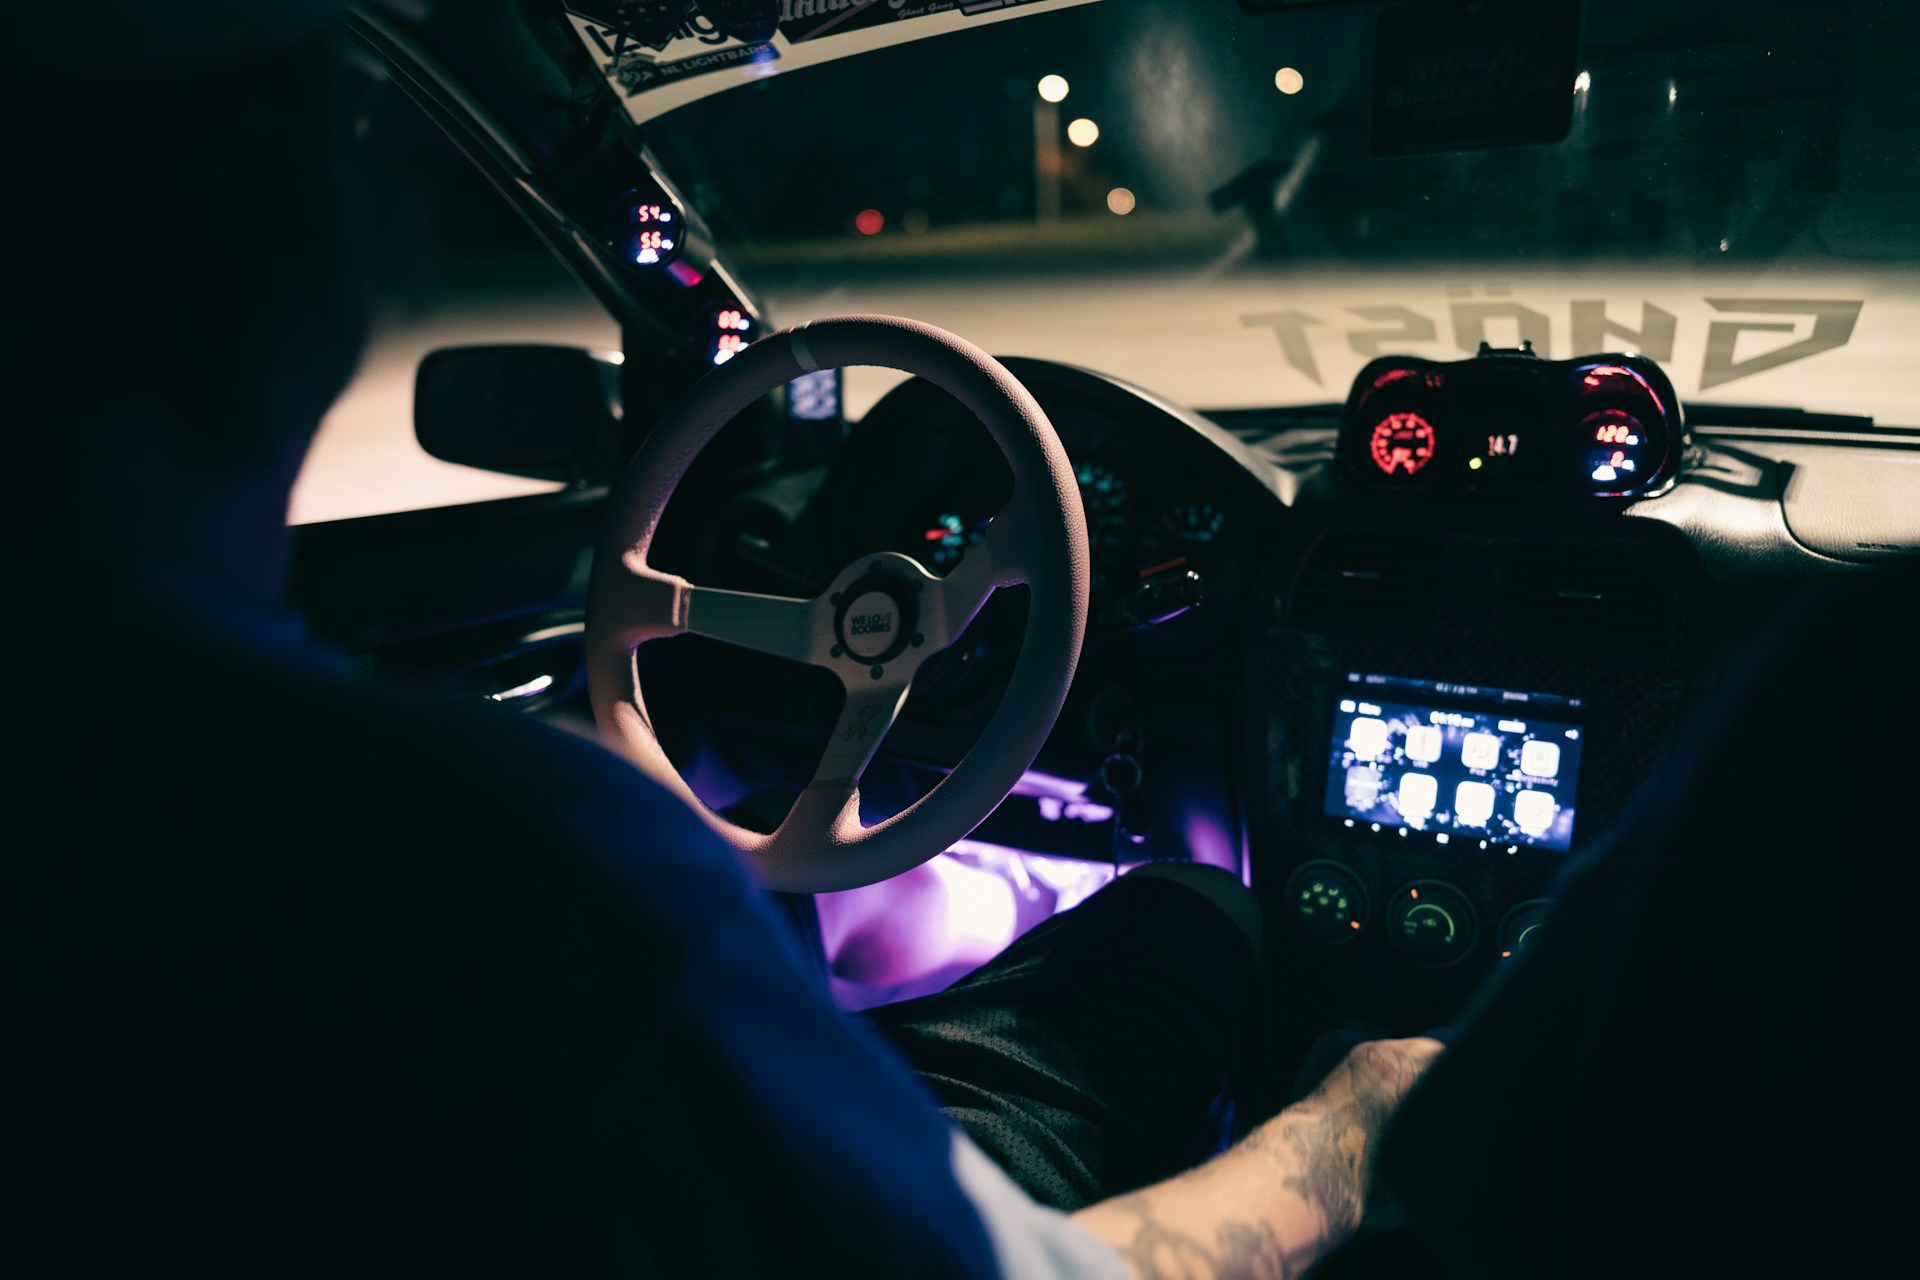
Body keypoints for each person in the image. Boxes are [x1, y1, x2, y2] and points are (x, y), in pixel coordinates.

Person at [14, 6, 1439, 1277]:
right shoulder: (523, 871)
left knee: (769, 830)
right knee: (1195, 915)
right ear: (315, 253)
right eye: (359, 120)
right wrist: (1355, 1129)